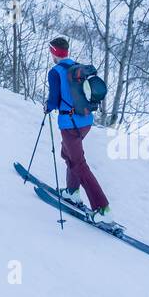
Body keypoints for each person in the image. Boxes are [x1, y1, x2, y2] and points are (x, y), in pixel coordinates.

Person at [44, 35, 112, 219]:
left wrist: (48, 107)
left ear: (53, 53)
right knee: (68, 155)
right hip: (85, 121)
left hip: (69, 124)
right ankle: (72, 192)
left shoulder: (56, 72)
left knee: (79, 164)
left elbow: (54, 100)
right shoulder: (77, 68)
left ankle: (102, 209)